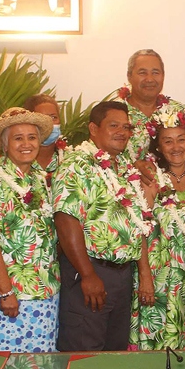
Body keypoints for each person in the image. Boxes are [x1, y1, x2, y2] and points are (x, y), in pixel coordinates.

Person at [52, 101, 162, 351]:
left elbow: (137, 222)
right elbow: (66, 221)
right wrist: (89, 275)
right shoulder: (76, 165)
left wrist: (143, 274)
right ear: (93, 128)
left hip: (121, 277)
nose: (122, 132)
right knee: (84, 358)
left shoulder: (121, 165)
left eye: (126, 127)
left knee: (114, 357)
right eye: (114, 125)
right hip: (89, 273)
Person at [131, 100, 185, 350]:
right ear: (158, 146)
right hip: (160, 277)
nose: (176, 147)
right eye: (168, 141)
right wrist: (145, 276)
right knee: (159, 344)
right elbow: (141, 230)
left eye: (181, 139)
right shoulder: (150, 179)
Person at [0, 108, 56, 353]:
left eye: (32, 137)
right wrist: (5, 291)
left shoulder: (40, 179)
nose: (27, 143)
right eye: (18, 138)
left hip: (45, 294)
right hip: (9, 298)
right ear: (5, 145)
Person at [113, 49, 175, 163]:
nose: (150, 79)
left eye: (155, 72)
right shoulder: (113, 114)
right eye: (142, 73)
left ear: (163, 76)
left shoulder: (179, 112)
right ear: (129, 76)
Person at [23, 93, 67, 181]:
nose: (49, 123)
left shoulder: (71, 159)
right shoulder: (20, 160)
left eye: (53, 117)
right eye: (42, 118)